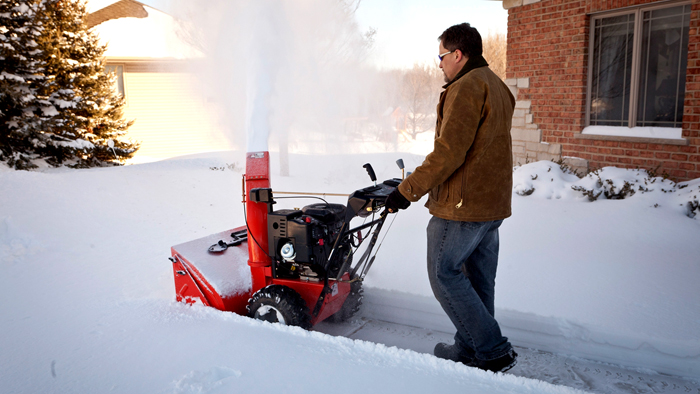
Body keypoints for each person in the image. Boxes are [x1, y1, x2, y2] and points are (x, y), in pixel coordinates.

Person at [384, 23, 517, 373]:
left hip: (463, 206)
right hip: (492, 204)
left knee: (444, 272)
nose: (439, 64)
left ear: (458, 54)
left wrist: (406, 190)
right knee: (478, 280)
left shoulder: (467, 87)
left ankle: (492, 350)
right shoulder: (497, 86)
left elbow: (449, 152)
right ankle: (470, 347)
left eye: (441, 56)